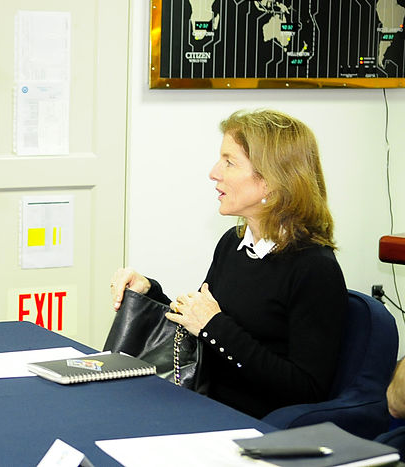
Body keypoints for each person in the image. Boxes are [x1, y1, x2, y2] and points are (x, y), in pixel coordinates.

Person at [110, 109, 348, 419]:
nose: (214, 172)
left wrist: (215, 326)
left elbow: (306, 389)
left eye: (229, 162)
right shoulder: (232, 245)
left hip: (252, 425)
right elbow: (197, 331)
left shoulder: (315, 269)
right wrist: (148, 292)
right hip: (202, 404)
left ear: (272, 181)